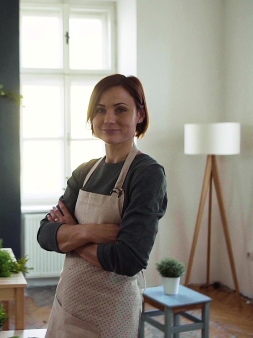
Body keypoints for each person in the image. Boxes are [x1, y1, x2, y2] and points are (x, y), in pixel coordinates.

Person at [37, 74, 168, 337]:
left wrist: (71, 234)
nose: (108, 119)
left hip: (111, 313)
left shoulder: (147, 173)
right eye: (100, 110)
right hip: (68, 302)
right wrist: (89, 232)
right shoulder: (85, 171)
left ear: (139, 115)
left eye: (120, 109)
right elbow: (44, 235)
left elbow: (128, 259)